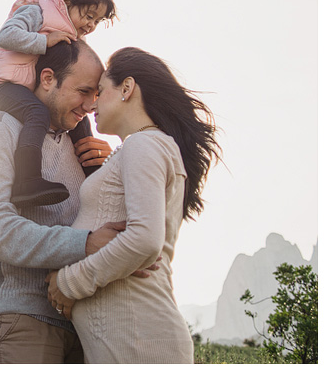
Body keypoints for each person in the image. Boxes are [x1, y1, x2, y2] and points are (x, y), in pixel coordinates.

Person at [45, 47, 221, 363]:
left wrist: (68, 283)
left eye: (100, 92)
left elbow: (144, 240)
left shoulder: (144, 144)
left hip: (140, 339)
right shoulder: (141, 147)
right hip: (131, 339)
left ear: (127, 88)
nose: (92, 104)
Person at [0, 39, 137, 364]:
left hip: (87, 326)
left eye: (96, 95)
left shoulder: (85, 150)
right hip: (21, 321)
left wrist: (111, 169)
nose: (90, 105)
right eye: (83, 91)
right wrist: (86, 243)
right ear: (47, 79)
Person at [0, 0, 117, 209]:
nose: (91, 25)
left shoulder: (70, 34)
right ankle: (27, 181)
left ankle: (95, 177)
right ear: (66, 0)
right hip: (1, 85)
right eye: (88, 16)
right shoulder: (38, 11)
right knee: (37, 113)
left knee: (82, 124)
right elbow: (6, 36)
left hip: (23, 84)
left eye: (97, 21)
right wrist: (44, 41)